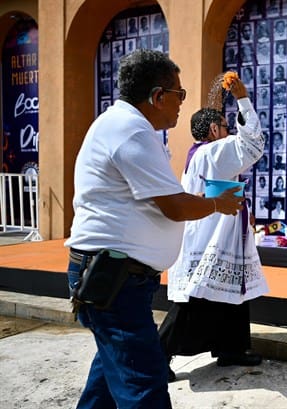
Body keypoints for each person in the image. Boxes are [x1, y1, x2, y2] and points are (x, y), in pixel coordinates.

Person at [65, 50, 245, 408]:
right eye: (180, 94)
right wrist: (216, 203)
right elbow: (174, 206)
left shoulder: (127, 126)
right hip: (114, 278)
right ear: (158, 96)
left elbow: (162, 200)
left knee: (108, 379)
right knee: (144, 386)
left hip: (118, 277)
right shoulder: (130, 130)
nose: (182, 104)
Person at [160, 75, 269, 380]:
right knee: (194, 299)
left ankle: (231, 348)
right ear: (213, 130)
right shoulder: (212, 151)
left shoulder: (201, 154)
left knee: (232, 291)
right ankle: (158, 356)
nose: (229, 131)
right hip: (212, 238)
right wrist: (243, 97)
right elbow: (252, 144)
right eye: (225, 126)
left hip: (216, 234)